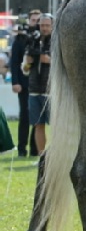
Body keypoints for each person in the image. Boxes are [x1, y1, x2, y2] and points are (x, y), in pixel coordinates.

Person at [10, 10, 40, 157]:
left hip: (39, 84)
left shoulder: (43, 39)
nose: (36, 22)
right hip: (24, 83)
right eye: (33, 20)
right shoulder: (20, 39)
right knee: (25, 116)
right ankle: (22, 149)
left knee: (38, 118)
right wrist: (15, 82)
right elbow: (14, 62)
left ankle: (35, 149)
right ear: (29, 20)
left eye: (38, 20)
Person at [22, 13, 53, 159]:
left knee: (56, 127)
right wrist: (28, 63)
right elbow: (25, 69)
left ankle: (56, 157)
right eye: (42, 25)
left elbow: (65, 67)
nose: (44, 28)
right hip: (34, 91)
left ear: (52, 26)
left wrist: (49, 60)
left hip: (51, 92)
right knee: (38, 125)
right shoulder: (32, 41)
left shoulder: (57, 42)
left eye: (47, 25)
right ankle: (42, 157)